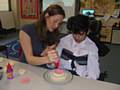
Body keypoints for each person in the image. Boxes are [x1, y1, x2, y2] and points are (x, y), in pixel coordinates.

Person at [56, 15, 100, 80]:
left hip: (80, 78)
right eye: (74, 33)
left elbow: (93, 74)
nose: (77, 37)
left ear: (87, 31)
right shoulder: (64, 41)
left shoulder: (91, 47)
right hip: (61, 75)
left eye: (81, 34)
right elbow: (55, 61)